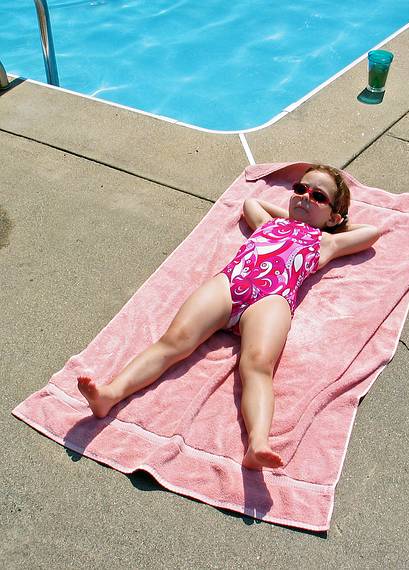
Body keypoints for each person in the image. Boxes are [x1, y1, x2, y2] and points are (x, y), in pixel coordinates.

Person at [77, 165, 380, 470]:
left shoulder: (325, 241)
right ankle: (109, 395)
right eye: (300, 190)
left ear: (334, 216)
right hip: (230, 284)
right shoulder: (268, 223)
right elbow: (252, 203)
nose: (305, 198)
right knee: (174, 341)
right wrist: (293, 216)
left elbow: (371, 233)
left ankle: (258, 444)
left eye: (318, 196)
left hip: (271, 298)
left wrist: (330, 226)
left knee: (258, 366)